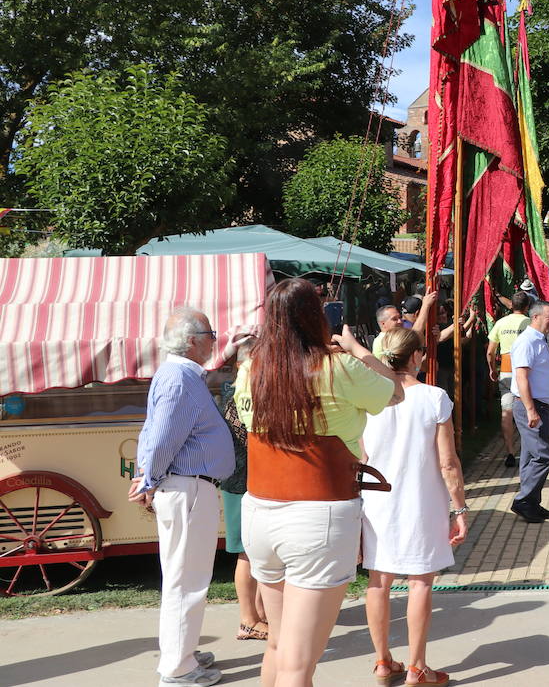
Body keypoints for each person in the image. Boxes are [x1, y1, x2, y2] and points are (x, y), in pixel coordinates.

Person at [234, 278, 404, 687]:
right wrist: (355, 349)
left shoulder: (250, 368)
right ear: (316, 317)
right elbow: (395, 392)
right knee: (299, 663)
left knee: (279, 645)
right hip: (319, 515)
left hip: (261, 511)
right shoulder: (337, 367)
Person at [129, 308, 236, 687]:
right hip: (187, 487)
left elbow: (155, 433)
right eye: (211, 333)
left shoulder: (179, 374)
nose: (215, 339)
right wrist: (149, 478)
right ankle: (177, 667)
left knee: (186, 577)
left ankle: (183, 653)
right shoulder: (178, 378)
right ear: (193, 341)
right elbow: (160, 438)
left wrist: (148, 476)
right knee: (186, 580)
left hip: (188, 486)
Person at [362, 329, 471, 686]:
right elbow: (449, 461)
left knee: (379, 581)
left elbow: (360, 454)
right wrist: (459, 509)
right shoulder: (433, 397)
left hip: (376, 499)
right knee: (420, 582)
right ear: (413, 357)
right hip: (421, 500)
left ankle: (382, 661)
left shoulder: (367, 396)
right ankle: (417, 666)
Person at [218, 334, 269, 645]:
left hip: (247, 477)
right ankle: (248, 620)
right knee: (246, 552)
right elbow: (250, 436)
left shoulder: (236, 388)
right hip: (241, 480)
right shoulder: (237, 391)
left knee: (258, 551)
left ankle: (261, 616)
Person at [511, 301, 549, 523]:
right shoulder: (527, 341)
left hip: (539, 405)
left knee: (530, 457)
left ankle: (531, 504)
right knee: (542, 456)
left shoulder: (538, 339)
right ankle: (523, 501)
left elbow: (539, 370)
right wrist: (530, 410)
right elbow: (521, 377)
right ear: (536, 317)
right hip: (532, 406)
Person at [487, 292, 531, 469]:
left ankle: (510, 452)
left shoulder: (501, 323)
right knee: (528, 408)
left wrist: (492, 369)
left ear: (511, 305)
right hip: (525, 370)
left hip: (505, 369)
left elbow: (490, 351)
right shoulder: (529, 323)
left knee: (507, 411)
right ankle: (529, 449)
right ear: (527, 307)